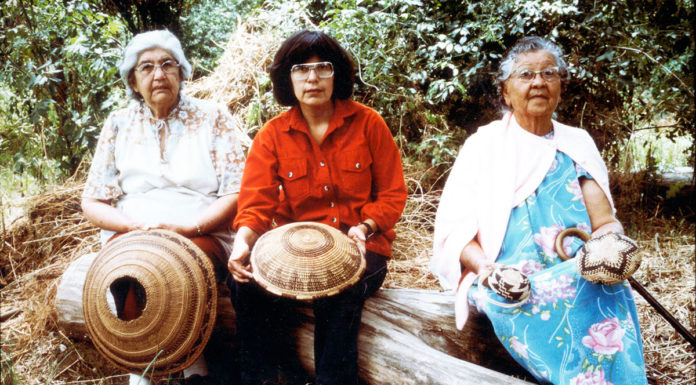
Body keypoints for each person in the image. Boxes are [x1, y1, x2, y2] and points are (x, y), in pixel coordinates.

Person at [431, 36, 648, 385]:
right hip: (511, 276)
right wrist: (488, 271)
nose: (538, 82)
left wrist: (608, 248)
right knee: (517, 298)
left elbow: (604, 222)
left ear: (560, 86)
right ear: (505, 91)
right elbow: (456, 234)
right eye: (525, 75)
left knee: (608, 291)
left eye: (548, 73)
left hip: (578, 269)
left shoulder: (577, 144)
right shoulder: (483, 146)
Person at [227, 30, 407, 385]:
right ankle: (268, 378)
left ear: (337, 73)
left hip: (361, 246)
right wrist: (243, 243)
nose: (312, 78)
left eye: (323, 67)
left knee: (338, 290)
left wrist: (366, 226)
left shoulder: (369, 123)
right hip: (292, 253)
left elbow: (393, 194)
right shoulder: (272, 135)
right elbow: (256, 203)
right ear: (286, 78)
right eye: (301, 69)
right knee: (244, 285)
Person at [81, 30, 246, 385]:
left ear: (182, 73)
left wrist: (191, 229)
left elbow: (236, 192)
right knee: (128, 272)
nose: (159, 75)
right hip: (133, 235)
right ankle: (141, 370)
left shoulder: (212, 116)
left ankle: (193, 371)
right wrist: (130, 228)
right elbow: (93, 200)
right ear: (133, 80)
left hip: (201, 231)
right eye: (147, 67)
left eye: (168, 65)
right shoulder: (118, 124)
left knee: (180, 270)